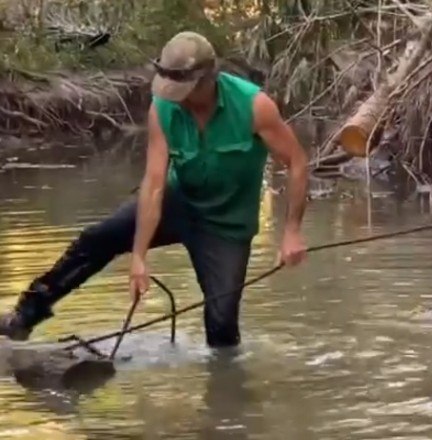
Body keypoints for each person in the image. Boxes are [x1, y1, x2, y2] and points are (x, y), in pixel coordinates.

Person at [0, 31, 308, 347]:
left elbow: (297, 162)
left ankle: (224, 387)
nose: (178, 98)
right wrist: (139, 255)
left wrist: (292, 231)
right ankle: (24, 317)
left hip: (226, 225)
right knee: (97, 239)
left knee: (222, 327)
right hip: (179, 201)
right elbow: (154, 183)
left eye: (184, 89)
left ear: (208, 78)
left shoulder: (254, 106)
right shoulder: (163, 108)